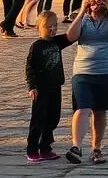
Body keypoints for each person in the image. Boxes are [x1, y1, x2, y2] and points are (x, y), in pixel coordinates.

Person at [64, 0, 108, 165]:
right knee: (82, 108)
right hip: (83, 72)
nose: (98, 1)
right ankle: (76, 146)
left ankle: (96, 148)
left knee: (99, 111)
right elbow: (71, 36)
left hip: (106, 71)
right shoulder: (82, 18)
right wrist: (82, 11)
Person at [25, 10, 74, 162]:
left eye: (55, 26)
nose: (52, 29)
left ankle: (45, 147)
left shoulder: (57, 42)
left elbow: (71, 36)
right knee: (38, 119)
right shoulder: (36, 46)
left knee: (53, 118)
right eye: (48, 26)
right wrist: (32, 86)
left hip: (55, 87)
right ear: (38, 28)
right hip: (41, 89)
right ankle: (32, 148)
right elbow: (30, 67)